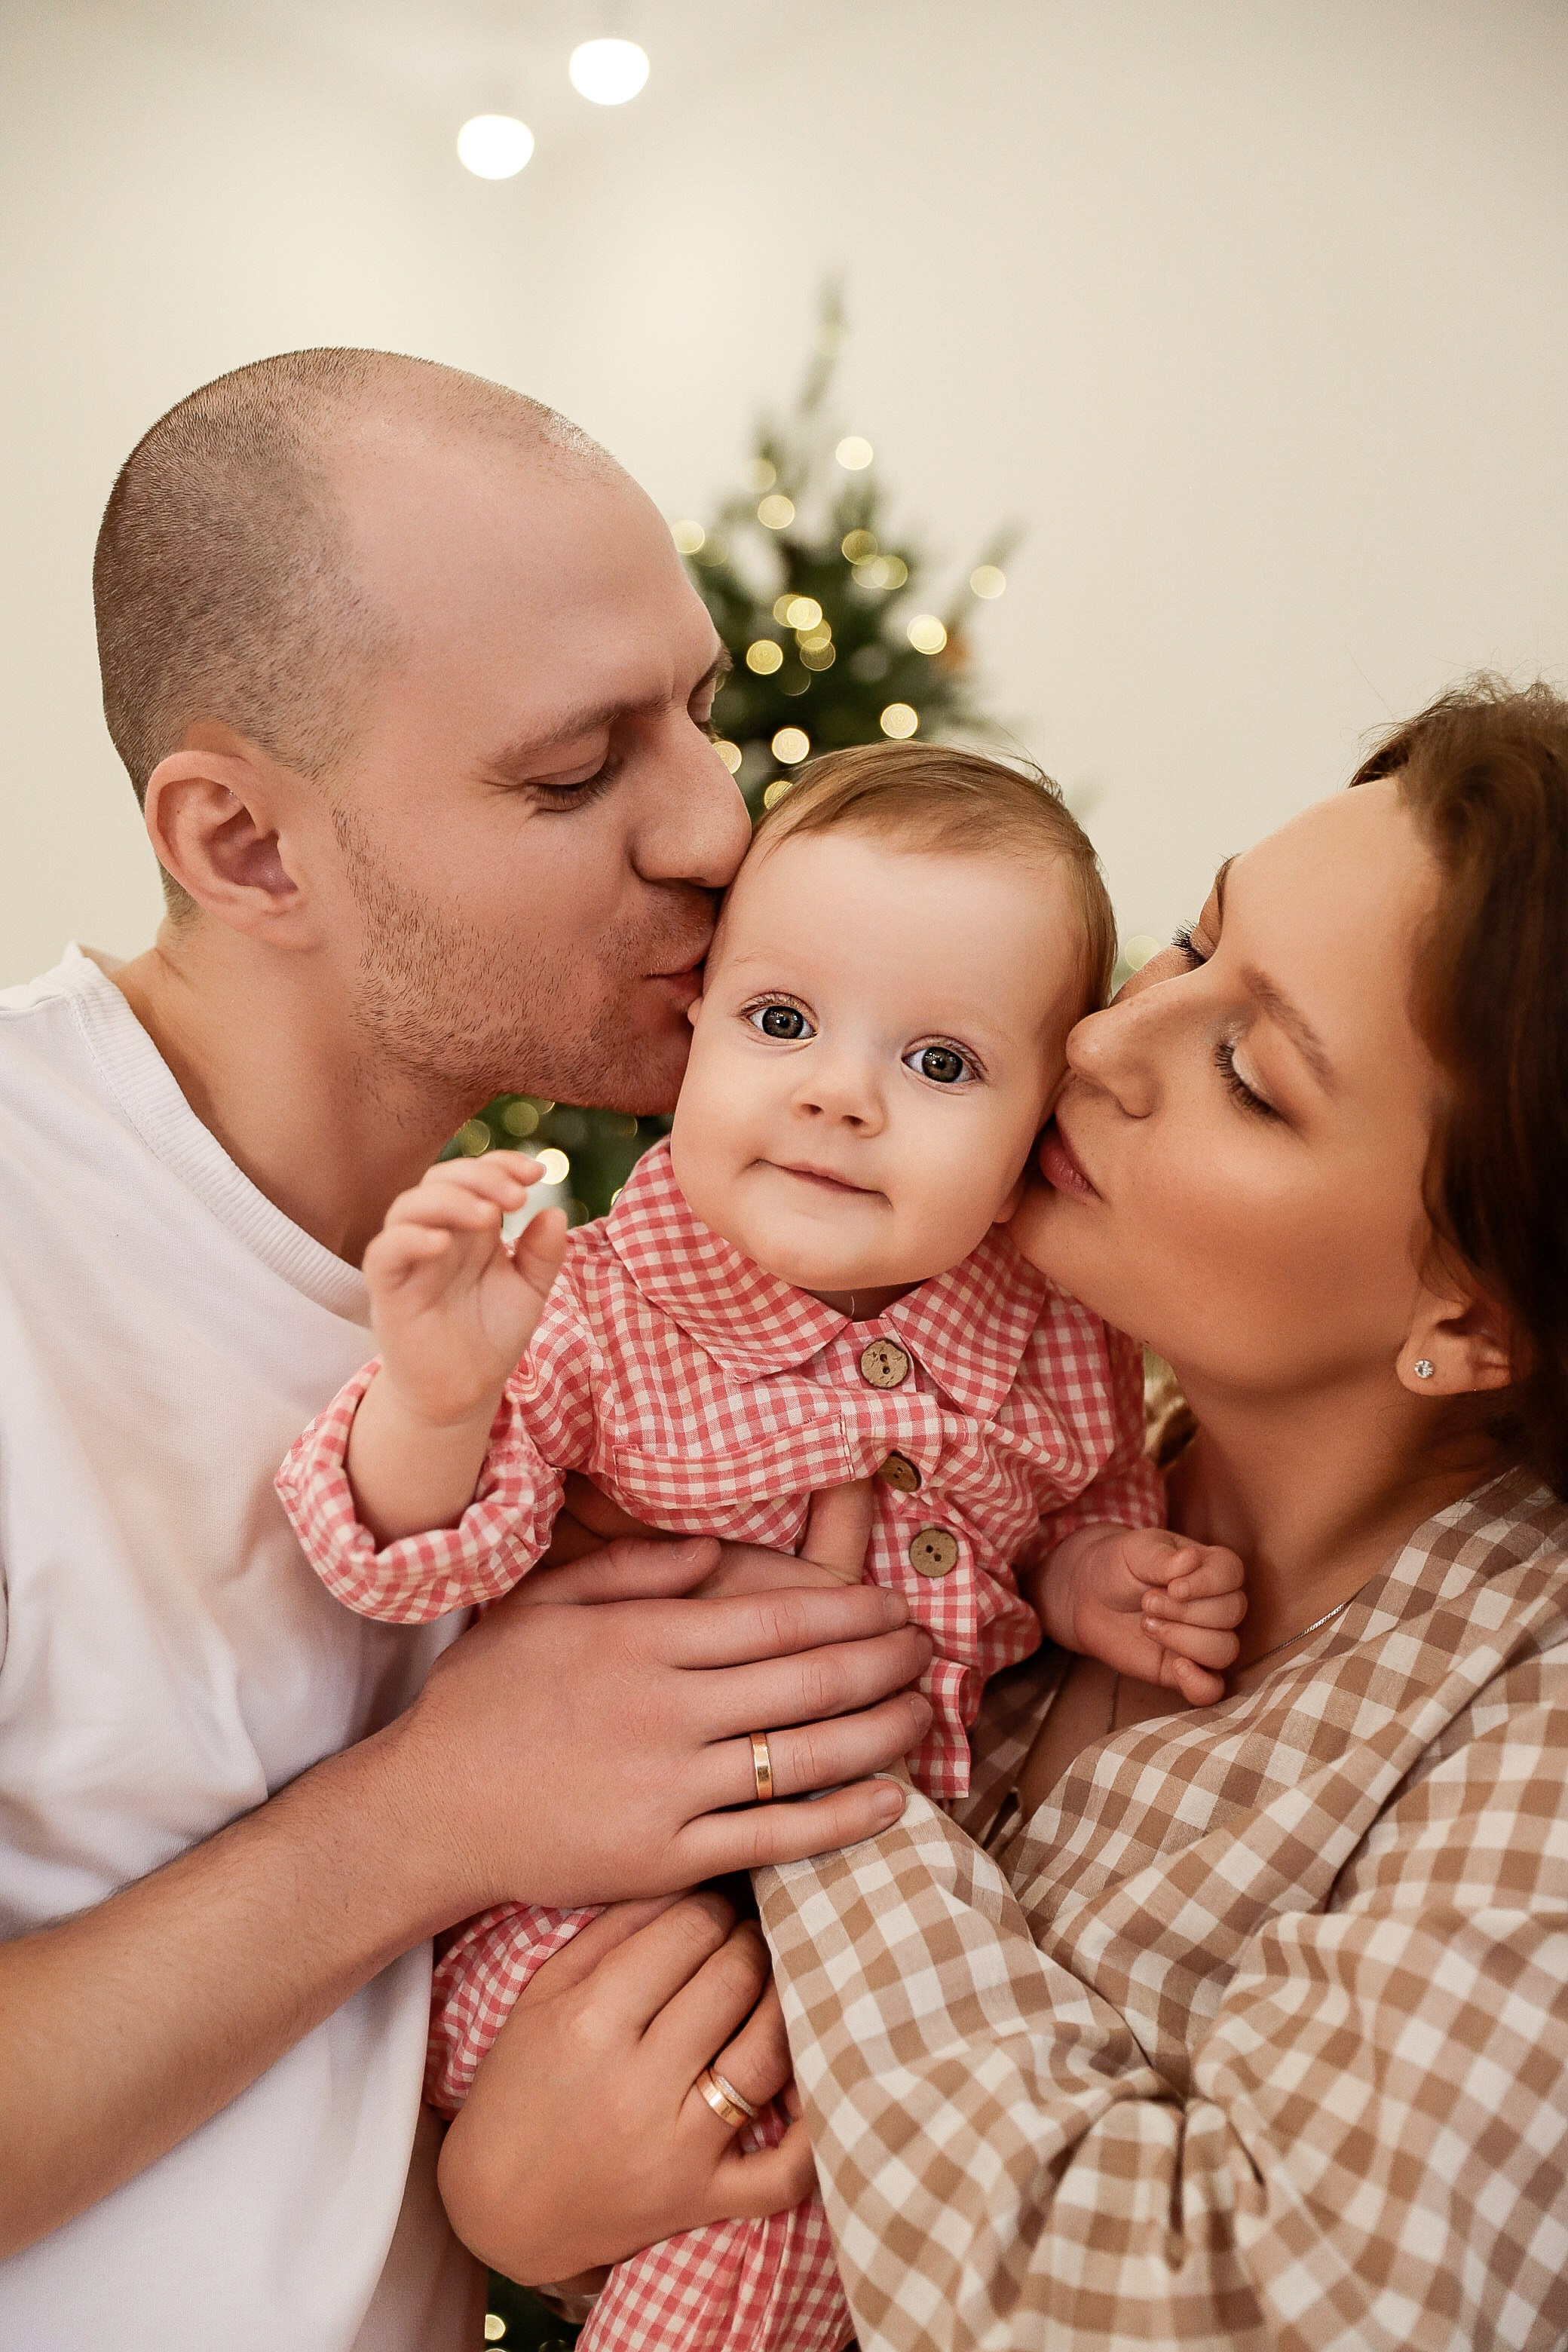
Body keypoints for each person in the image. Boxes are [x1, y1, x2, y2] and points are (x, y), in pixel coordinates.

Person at [436, 679, 1568, 2352]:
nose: (1097, 1043)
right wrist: (514, 2208)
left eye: (1247, 1074)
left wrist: (811, 1749)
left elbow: (1240, 2308)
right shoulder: (996, 1432)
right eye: (1188, 946)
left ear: (1469, 1317)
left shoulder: (1517, 1719)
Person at [0, 349, 934, 2351]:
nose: (719, 823)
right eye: (576, 771)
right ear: (247, 848)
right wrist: (433, 1811)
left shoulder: (608, 1288)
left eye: (700, 711)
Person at [277, 743, 1247, 2352]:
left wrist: (1091, 1583)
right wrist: (439, 1400)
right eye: (781, 1022)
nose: (836, 1092)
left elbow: (1063, 1520)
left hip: (862, 1929)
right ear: (702, 1021)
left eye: (939, 1064)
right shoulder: (599, 1304)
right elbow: (404, 1559)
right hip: (583, 1926)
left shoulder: (1051, 1334)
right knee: (782, 2202)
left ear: (1034, 1133)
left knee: (842, 2199)